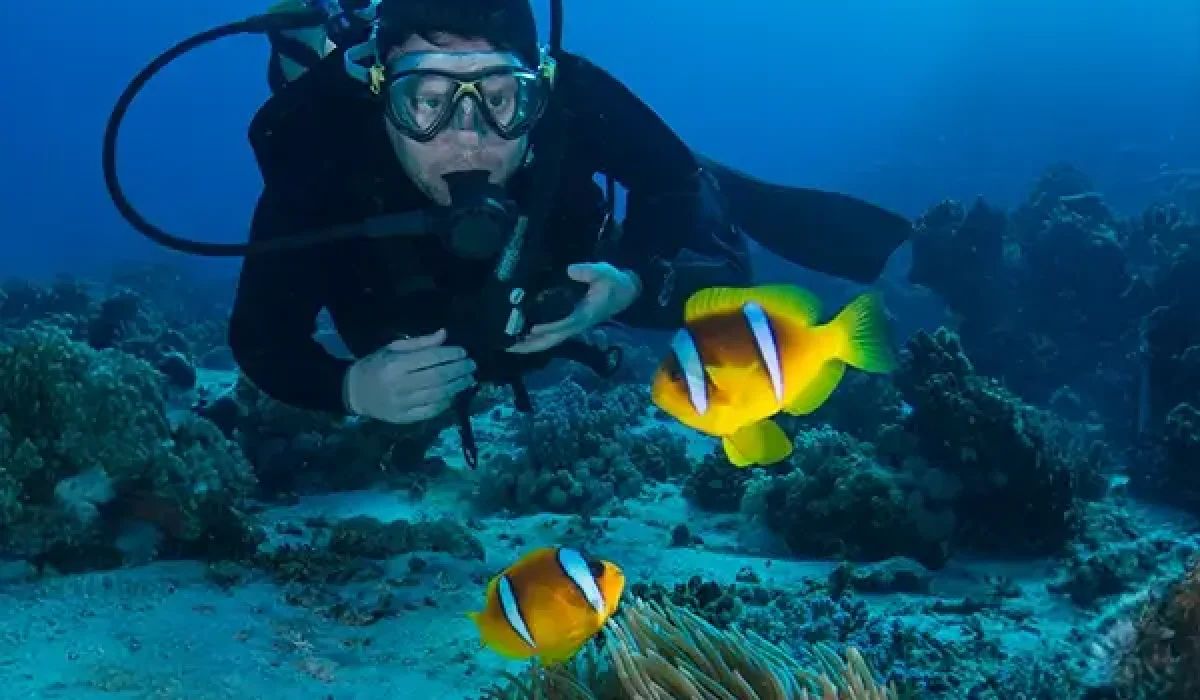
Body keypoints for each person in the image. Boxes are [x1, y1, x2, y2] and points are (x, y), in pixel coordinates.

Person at [227, 0, 913, 465]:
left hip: (570, 256)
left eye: (498, 99)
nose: (467, 140)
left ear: (539, 89)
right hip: (370, 257)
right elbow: (261, 338)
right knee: (305, 88)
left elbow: (671, 180)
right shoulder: (320, 154)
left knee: (713, 275)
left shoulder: (574, 96)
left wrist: (632, 278)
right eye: (426, 102)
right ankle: (312, 46)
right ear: (383, 94)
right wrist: (349, 388)